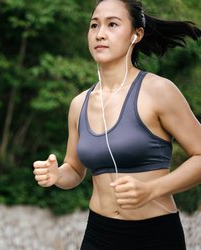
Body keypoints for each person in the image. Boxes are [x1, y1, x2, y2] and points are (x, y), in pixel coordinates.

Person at [33, 0, 201, 249]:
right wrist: (58, 175)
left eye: (112, 24)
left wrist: (151, 190)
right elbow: (75, 171)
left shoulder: (159, 91)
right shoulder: (79, 104)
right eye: (94, 25)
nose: (100, 34)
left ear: (136, 34)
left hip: (155, 236)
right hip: (99, 235)